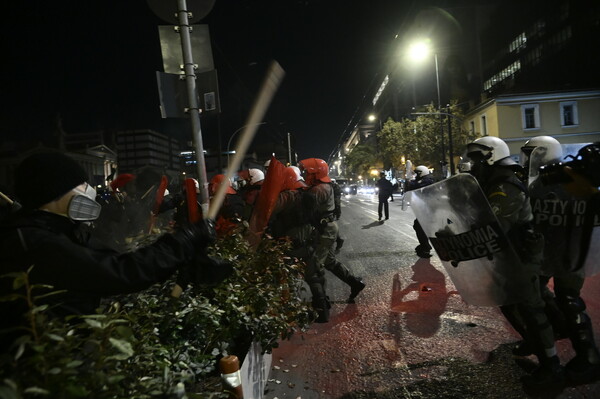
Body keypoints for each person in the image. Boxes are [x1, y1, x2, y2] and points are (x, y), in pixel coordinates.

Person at [0, 151, 220, 351]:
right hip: (47, 361)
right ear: (54, 192)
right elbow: (118, 272)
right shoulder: (33, 241)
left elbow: (118, 258)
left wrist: (180, 258)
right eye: (80, 184)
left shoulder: (64, 228)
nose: (88, 190)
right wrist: (183, 241)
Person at [465, 136, 562, 387]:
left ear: (491, 157)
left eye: (477, 160)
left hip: (523, 256)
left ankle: (551, 366)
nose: (473, 166)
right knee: (513, 304)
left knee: (531, 309)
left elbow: (494, 226)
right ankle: (543, 336)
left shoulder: (505, 186)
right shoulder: (490, 182)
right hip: (509, 255)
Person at [521, 136, 600, 384]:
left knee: (554, 299)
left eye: (531, 153)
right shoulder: (550, 181)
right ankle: (571, 347)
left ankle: (587, 356)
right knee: (561, 300)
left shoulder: (545, 183)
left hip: (559, 252)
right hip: (565, 252)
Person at [299, 158, 365, 317]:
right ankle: (355, 283)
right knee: (329, 261)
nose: (305, 174)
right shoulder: (318, 187)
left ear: (316, 173)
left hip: (324, 230)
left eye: (308, 172)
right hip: (324, 229)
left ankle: (321, 305)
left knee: (314, 267)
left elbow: (305, 208)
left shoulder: (319, 189)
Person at [406, 166, 435, 258]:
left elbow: (418, 186)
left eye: (417, 173)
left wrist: (410, 181)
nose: (416, 175)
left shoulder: (427, 180)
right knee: (420, 226)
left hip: (430, 209)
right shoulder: (424, 180)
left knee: (420, 227)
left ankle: (425, 248)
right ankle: (425, 246)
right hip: (426, 208)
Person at [330, 178, 344, 253]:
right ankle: (338, 239)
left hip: (332, 208)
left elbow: (337, 203)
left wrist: (338, 214)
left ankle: (338, 240)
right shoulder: (332, 187)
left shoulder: (335, 187)